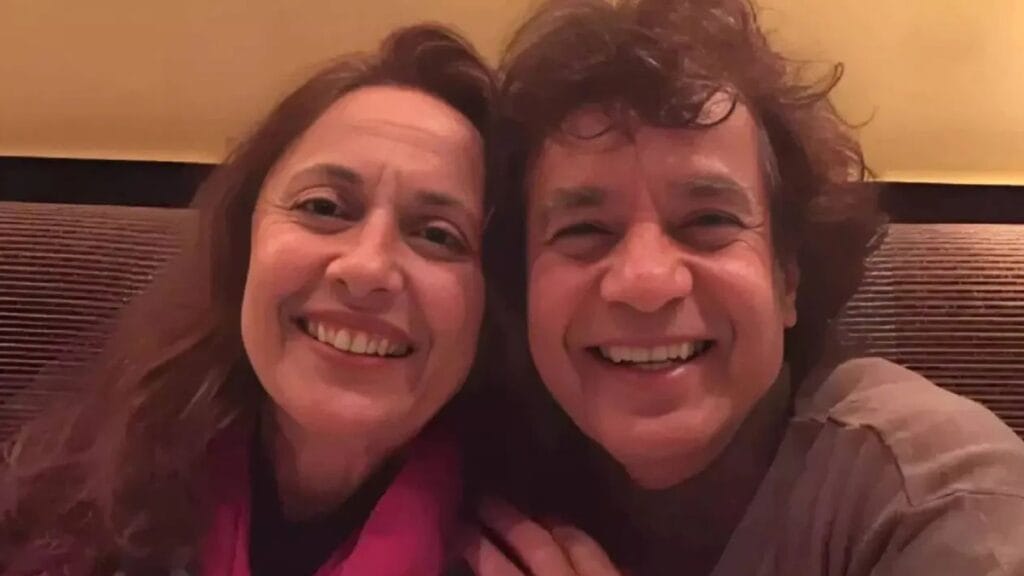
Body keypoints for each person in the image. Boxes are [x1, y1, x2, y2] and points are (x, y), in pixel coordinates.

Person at [462, 1, 1024, 575]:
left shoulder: (943, 503)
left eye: (709, 221)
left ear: (787, 277)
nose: (646, 282)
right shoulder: (475, 462)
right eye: (583, 230)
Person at [1, 25, 499, 576]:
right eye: (324, 207)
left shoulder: (536, 548)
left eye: (438, 235)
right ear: (245, 243)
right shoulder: (81, 480)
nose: (366, 269)